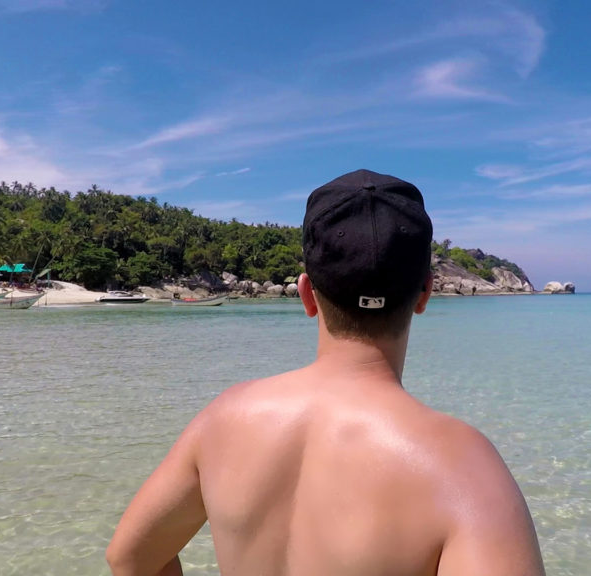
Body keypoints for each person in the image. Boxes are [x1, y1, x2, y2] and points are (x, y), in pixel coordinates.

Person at [107, 169, 545, 576]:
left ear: (306, 295)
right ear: (426, 293)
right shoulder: (462, 467)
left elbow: (131, 557)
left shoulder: (224, 419)